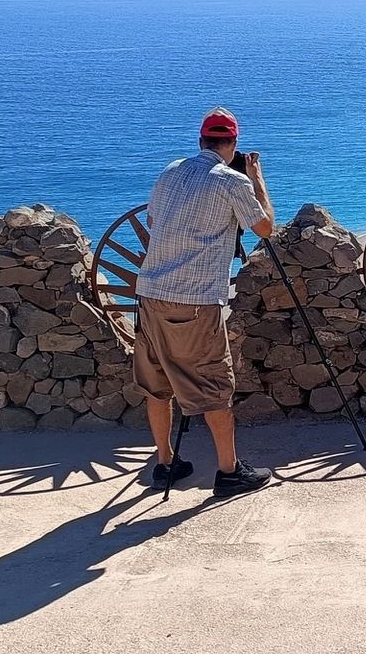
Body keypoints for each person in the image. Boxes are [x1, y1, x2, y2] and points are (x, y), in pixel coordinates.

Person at [134, 106, 277, 497]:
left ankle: (165, 464)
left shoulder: (170, 171)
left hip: (149, 292)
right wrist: (257, 178)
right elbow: (265, 228)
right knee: (213, 384)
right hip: (194, 301)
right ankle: (229, 472)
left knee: (156, 383)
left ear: (200, 142)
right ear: (231, 144)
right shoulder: (233, 182)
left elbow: (152, 220)